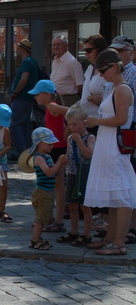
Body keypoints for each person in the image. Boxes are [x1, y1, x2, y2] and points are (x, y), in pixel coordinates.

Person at [82, 49, 136, 256]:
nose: (101, 75)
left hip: (115, 147)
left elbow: (121, 120)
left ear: (114, 67)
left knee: (121, 196)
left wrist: (97, 121)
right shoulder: (114, 88)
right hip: (108, 145)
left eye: (103, 71)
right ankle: (109, 239)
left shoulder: (122, 89)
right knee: (113, 197)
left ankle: (118, 244)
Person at [25, 126, 65, 250]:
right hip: (42, 192)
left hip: (48, 191)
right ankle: (35, 240)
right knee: (40, 218)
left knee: (45, 216)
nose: (51, 146)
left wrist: (61, 165)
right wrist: (59, 162)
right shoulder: (39, 158)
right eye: (48, 143)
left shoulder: (47, 157)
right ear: (39, 144)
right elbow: (49, 172)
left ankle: (38, 237)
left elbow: (54, 171)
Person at [62, 103, 95, 245]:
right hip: (72, 173)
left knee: (84, 205)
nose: (72, 127)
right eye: (69, 124)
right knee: (72, 204)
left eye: (75, 124)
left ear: (84, 123)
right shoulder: (70, 138)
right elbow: (68, 153)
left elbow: (89, 155)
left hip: (84, 174)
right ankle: (74, 231)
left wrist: (79, 142)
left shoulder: (89, 137)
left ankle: (86, 234)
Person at [6, 39, 41, 158]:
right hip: (29, 97)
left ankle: (22, 153)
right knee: (25, 125)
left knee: (15, 124)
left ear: (23, 49)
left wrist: (16, 92)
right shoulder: (33, 62)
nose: (18, 50)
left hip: (22, 97)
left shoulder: (26, 62)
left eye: (19, 48)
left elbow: (24, 79)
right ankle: (28, 151)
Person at [50, 35, 84, 102]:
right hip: (57, 98)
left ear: (66, 46)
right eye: (54, 45)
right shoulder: (54, 61)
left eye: (59, 44)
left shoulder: (71, 62)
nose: (56, 47)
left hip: (70, 99)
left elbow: (80, 85)